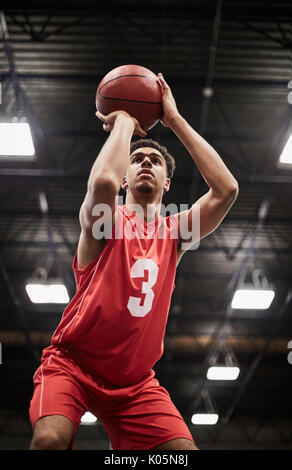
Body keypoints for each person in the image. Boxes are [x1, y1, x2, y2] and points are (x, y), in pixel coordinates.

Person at [29, 73, 238, 450]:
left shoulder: (175, 234)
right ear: (126, 178)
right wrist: (124, 121)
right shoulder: (104, 223)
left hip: (134, 381)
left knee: (182, 454)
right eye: (137, 159)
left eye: (155, 161)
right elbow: (102, 185)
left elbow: (226, 190)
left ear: (167, 182)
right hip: (72, 364)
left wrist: (174, 120)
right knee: (49, 440)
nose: (145, 163)